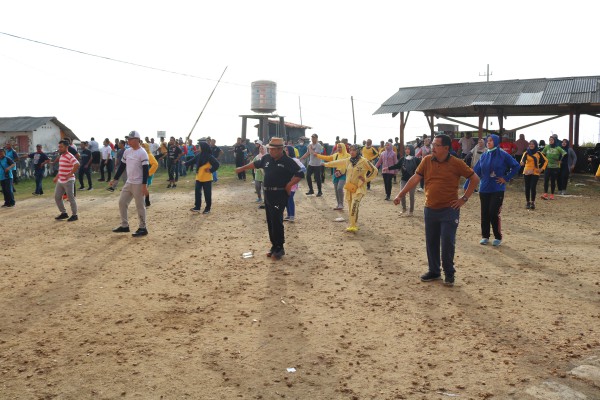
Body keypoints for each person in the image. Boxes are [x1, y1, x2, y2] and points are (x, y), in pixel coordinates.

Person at [393, 134, 479, 286]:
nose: (432, 147)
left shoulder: (456, 163)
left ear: (446, 148)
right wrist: (400, 194)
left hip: (449, 210)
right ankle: (434, 271)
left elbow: (474, 179)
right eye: (432, 144)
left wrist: (463, 199)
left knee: (447, 242)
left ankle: (449, 273)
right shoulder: (426, 161)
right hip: (430, 208)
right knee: (431, 242)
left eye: (436, 145)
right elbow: (415, 178)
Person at [235, 137, 304, 260]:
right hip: (268, 195)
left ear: (280, 149)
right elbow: (256, 164)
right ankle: (273, 246)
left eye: (272, 149)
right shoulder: (267, 158)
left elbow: (300, 174)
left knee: (277, 220)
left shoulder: (287, 161)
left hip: (280, 194)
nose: (270, 151)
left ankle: (280, 248)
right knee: (270, 221)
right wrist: (242, 168)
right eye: (269, 149)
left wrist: (289, 185)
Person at [473, 134, 520, 246]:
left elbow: (516, 166)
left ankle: (498, 236)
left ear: (495, 141)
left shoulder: (503, 154)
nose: (488, 142)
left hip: (497, 188)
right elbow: (476, 171)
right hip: (484, 188)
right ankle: (485, 236)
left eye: (490, 140)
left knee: (493, 212)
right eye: (487, 141)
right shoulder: (484, 155)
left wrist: (506, 178)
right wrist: (467, 185)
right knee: (484, 213)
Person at [323, 144, 378, 232]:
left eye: (354, 150)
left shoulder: (364, 161)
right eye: (350, 150)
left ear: (358, 151)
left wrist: (366, 179)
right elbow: (337, 163)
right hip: (350, 188)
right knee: (351, 207)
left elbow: (374, 170)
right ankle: (354, 223)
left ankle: (352, 226)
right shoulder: (348, 160)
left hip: (359, 188)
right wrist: (325, 164)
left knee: (354, 206)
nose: (352, 152)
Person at [109, 131, 150, 237]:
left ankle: (143, 228)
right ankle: (124, 226)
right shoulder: (127, 151)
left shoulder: (142, 152)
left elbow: (146, 170)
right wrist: (115, 179)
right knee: (122, 202)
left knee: (140, 205)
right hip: (129, 182)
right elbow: (122, 166)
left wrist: (144, 185)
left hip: (139, 183)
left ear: (137, 140)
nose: (128, 141)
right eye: (128, 139)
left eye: (130, 139)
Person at [186, 142, 220, 214]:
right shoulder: (199, 155)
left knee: (207, 194)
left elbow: (217, 164)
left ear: (203, 147)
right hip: (198, 177)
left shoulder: (209, 156)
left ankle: (207, 208)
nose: (199, 148)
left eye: (200, 147)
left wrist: (210, 170)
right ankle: (197, 207)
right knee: (197, 193)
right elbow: (192, 161)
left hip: (207, 178)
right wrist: (185, 163)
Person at [315, 142, 350, 210]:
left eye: (340, 147)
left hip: (343, 174)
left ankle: (341, 204)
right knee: (336, 190)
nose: (339, 148)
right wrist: (317, 155)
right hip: (336, 174)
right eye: (338, 147)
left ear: (343, 147)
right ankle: (339, 204)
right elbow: (327, 158)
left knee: (339, 188)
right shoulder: (335, 155)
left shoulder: (348, 156)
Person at [388, 145, 420, 215]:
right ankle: (404, 209)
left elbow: (421, 169)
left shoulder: (416, 159)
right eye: (406, 149)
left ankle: (411, 211)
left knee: (411, 196)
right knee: (402, 194)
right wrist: (388, 168)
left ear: (411, 150)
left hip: (412, 180)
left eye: (408, 149)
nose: (407, 150)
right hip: (403, 180)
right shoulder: (403, 159)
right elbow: (397, 166)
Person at [53, 140, 80, 221]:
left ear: (66, 147)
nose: (59, 148)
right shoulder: (61, 156)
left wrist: (71, 173)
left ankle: (74, 215)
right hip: (61, 180)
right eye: (59, 147)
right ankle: (64, 213)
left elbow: (77, 164)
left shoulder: (70, 156)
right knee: (57, 197)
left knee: (71, 198)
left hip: (68, 181)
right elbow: (61, 168)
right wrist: (57, 177)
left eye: (61, 147)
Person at [520, 140, 547, 210]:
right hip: (527, 172)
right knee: (527, 187)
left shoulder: (538, 153)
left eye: (533, 144)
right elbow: (522, 161)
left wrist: (542, 169)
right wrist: (522, 163)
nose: (531, 145)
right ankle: (527, 202)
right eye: (530, 144)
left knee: (533, 187)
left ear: (535, 145)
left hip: (535, 172)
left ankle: (532, 202)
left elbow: (546, 161)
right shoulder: (526, 153)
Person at [283, 146, 306, 222]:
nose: (285, 151)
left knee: (290, 198)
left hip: (292, 183)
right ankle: (289, 215)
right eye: (285, 150)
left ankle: (292, 216)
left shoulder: (295, 160)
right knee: (286, 199)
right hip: (285, 182)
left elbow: (303, 169)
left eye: (287, 150)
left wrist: (295, 176)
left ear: (290, 151)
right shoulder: (285, 160)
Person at [541, 136, 566, 200]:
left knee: (553, 181)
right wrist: (544, 160)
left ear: (554, 141)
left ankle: (552, 195)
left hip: (555, 167)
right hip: (547, 166)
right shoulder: (547, 147)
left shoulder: (558, 148)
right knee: (546, 180)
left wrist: (560, 160)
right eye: (550, 140)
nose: (551, 141)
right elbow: (542, 154)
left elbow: (564, 153)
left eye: (552, 140)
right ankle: (545, 194)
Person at [140, 142, 158, 207]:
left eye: (144, 146)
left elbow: (155, 164)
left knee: (144, 188)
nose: (142, 147)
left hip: (147, 174)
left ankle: (145, 202)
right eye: (141, 146)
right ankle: (146, 202)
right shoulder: (142, 154)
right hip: (143, 174)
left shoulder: (149, 155)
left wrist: (149, 173)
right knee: (143, 188)